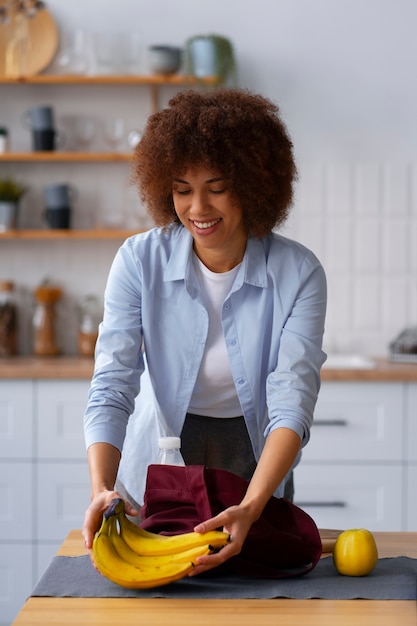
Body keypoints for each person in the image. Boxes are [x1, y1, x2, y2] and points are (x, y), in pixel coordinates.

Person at [82, 88, 327, 576]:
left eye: (217, 187)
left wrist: (254, 502)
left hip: (253, 456)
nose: (198, 207)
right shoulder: (138, 261)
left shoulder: (299, 273)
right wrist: (100, 488)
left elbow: (291, 400)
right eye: (181, 188)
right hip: (157, 451)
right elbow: (112, 384)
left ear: (254, 184)